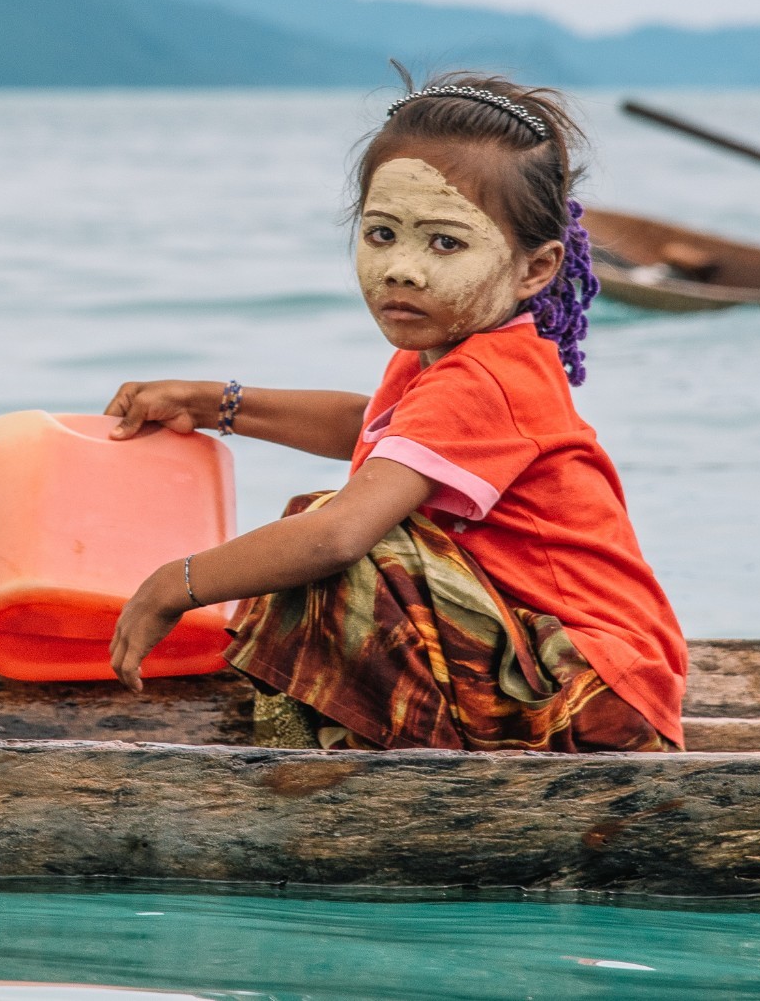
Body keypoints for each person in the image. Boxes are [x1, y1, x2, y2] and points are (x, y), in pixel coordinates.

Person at [100, 72, 686, 754]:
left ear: (535, 269)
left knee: (337, 536)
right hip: (568, 670)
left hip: (594, 689)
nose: (402, 269)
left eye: (445, 243)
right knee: (343, 519)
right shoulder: (453, 351)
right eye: (382, 234)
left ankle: (331, 742)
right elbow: (371, 429)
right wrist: (213, 403)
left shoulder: (484, 378)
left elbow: (339, 536)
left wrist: (177, 584)